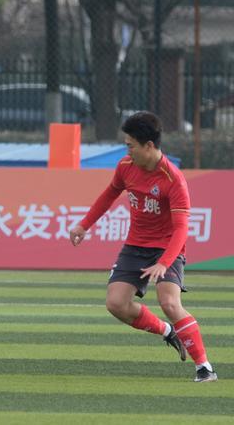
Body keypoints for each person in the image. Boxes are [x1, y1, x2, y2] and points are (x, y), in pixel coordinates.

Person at [69, 111, 217, 383]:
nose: (127, 151)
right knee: (115, 303)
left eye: (130, 145)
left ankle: (204, 367)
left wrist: (164, 262)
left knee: (169, 302)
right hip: (135, 246)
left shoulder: (173, 179)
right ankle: (167, 332)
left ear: (148, 145)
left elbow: (181, 229)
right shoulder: (126, 166)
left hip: (167, 248)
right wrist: (84, 224)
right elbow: (109, 194)